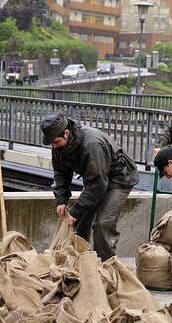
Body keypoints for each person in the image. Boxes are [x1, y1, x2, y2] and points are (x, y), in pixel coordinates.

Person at [41, 111, 140, 261]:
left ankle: (106, 266)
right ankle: (80, 261)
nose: (54, 147)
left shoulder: (92, 144)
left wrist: (75, 210)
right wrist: (61, 199)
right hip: (96, 177)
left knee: (102, 224)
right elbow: (61, 173)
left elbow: (98, 185)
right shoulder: (59, 146)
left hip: (119, 178)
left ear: (66, 133)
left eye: (55, 142)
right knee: (79, 222)